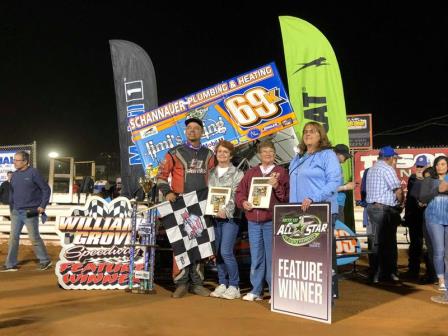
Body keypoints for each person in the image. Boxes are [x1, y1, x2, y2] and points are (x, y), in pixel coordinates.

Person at [157, 116, 215, 298]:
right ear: (185, 131)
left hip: (202, 205)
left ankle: (197, 283)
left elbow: (215, 177)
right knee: (181, 243)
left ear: (202, 132)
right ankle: (181, 283)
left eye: (196, 128)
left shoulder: (209, 154)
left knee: (200, 242)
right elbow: (160, 176)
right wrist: (167, 192)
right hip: (180, 205)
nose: (192, 131)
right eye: (189, 128)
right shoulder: (174, 152)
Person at [289, 121, 341, 298]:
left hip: (320, 210)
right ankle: (308, 293)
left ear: (320, 136)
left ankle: (329, 292)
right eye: (305, 131)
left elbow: (335, 181)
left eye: (312, 131)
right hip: (298, 212)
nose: (308, 134)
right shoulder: (298, 157)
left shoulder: (327, 155)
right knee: (304, 255)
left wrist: (314, 198)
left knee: (322, 253)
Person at [235, 140, 289, 302]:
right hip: (253, 221)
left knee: (272, 257)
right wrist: (243, 203)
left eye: (271, 152)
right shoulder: (251, 172)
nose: (267, 154)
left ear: (274, 154)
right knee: (256, 256)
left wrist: (277, 186)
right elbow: (240, 192)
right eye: (264, 151)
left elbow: (286, 197)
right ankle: (256, 290)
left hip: (271, 220)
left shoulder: (281, 172)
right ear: (259, 154)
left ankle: (274, 291)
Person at [1, 151, 52, 272]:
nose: (14, 162)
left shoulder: (34, 173)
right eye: (14, 160)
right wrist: (12, 209)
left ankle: (45, 260)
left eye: (17, 160)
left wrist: (42, 206)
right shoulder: (14, 175)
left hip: (31, 211)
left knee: (34, 237)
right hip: (16, 212)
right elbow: (12, 194)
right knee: (13, 238)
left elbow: (46, 189)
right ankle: (10, 264)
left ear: (25, 161)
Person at [208, 140, 244, 300]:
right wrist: (212, 210)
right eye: (220, 151)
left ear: (231, 155)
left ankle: (234, 285)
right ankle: (222, 282)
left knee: (226, 251)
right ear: (216, 154)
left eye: (225, 152)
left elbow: (237, 195)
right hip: (214, 217)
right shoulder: (211, 173)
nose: (222, 154)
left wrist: (225, 210)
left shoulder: (238, 174)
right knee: (218, 252)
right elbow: (209, 195)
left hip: (230, 217)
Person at [366, 146, 404, 283]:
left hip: (372, 208)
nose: (395, 161)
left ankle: (376, 273)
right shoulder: (387, 169)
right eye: (394, 158)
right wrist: (401, 203)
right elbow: (398, 191)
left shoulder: (372, 169)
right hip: (384, 210)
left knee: (376, 242)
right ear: (389, 158)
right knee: (389, 242)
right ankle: (390, 273)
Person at [419, 155, 448, 292]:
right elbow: (422, 198)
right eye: (437, 164)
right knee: (439, 250)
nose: (439, 167)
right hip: (433, 217)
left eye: (443, 164)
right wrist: (437, 190)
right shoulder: (429, 180)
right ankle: (441, 279)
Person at [402, 155, 432, 280]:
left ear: (428, 166)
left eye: (422, 166)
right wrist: (406, 215)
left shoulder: (431, 180)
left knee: (429, 246)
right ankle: (413, 271)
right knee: (415, 245)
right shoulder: (412, 179)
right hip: (414, 217)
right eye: (418, 166)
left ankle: (431, 273)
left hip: (427, 218)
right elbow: (409, 199)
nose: (420, 168)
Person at [333, 144, 355, 223]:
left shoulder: (337, 166)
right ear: (337, 154)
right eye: (345, 156)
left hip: (338, 203)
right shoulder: (333, 167)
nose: (347, 158)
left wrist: (345, 185)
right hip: (335, 204)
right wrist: (346, 187)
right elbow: (329, 188)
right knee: (338, 231)